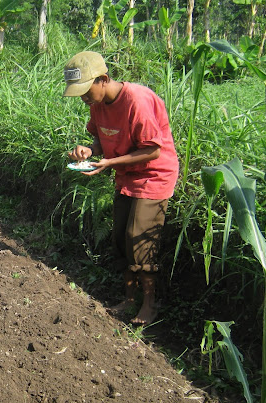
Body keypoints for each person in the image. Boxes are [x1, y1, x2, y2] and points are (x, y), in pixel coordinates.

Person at [64, 51, 179, 326]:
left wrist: (109, 163)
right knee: (120, 239)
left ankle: (150, 305)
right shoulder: (98, 104)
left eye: (86, 91)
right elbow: (101, 141)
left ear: (103, 79)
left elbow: (152, 150)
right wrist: (89, 150)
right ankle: (129, 299)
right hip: (125, 175)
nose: (84, 98)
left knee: (139, 238)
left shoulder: (136, 101)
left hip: (154, 175)